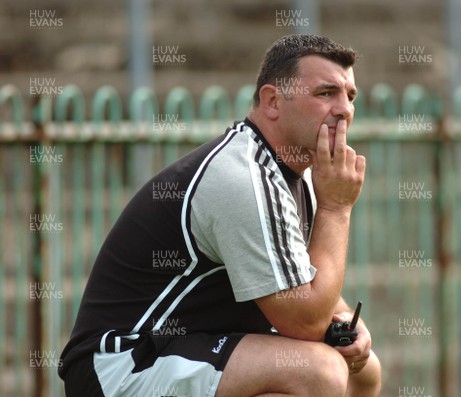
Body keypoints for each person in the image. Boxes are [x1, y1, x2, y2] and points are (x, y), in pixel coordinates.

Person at [58, 34, 382, 397]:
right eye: (326, 93)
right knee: (320, 373)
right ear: (273, 101)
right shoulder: (242, 177)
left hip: (188, 345)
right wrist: (336, 209)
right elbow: (304, 322)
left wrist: (351, 326)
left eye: (350, 96)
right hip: (122, 363)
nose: (345, 109)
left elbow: (299, 279)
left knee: (363, 370)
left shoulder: (300, 174)